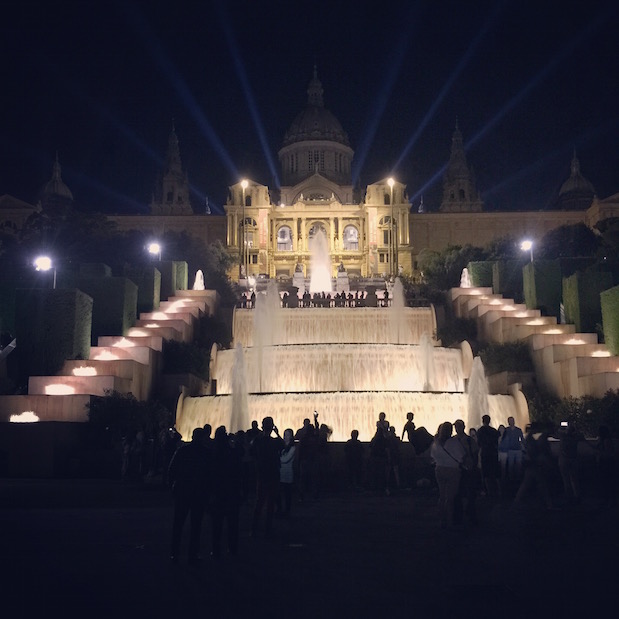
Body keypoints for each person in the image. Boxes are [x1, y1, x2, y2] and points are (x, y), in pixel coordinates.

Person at [168, 427, 210, 564]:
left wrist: (173, 486)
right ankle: (192, 554)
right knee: (196, 525)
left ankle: (175, 554)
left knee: (178, 524)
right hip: (198, 493)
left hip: (183, 491)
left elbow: (171, 469)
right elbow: (211, 474)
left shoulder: (182, 451)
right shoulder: (205, 453)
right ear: (202, 437)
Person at [210, 426, 243, 558]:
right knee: (232, 524)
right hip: (231, 493)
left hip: (218, 493)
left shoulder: (212, 453)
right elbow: (241, 454)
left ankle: (216, 549)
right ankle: (232, 549)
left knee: (216, 525)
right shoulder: (232, 453)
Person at [250, 416, 284, 537]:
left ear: (262, 427)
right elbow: (283, 444)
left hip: (262, 475)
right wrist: (277, 433)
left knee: (259, 502)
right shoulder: (274, 442)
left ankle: (254, 529)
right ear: (272, 427)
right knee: (270, 503)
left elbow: (251, 448)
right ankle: (267, 529)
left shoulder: (258, 441)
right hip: (273, 475)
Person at [431, 422, 465, 529]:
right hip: (453, 471)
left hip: (439, 470)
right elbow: (461, 456)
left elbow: (432, 456)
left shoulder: (436, 442)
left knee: (442, 495)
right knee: (450, 498)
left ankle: (441, 519)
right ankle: (449, 521)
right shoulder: (454, 442)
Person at [514, 423, 554, 510]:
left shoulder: (530, 438)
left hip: (533, 464)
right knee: (540, 484)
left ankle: (517, 502)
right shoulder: (534, 439)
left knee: (528, 484)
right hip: (535, 465)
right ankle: (548, 504)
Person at [453, 419, 479, 526]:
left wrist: (473, 465)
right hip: (457, 469)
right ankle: (460, 513)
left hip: (468, 469)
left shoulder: (469, 440)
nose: (456, 428)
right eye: (455, 426)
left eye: (458, 426)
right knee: (458, 492)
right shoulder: (453, 440)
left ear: (463, 427)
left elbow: (475, 453)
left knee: (469, 491)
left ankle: (469, 512)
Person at [557, 422, 584, 504]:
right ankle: (576, 496)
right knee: (574, 479)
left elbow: (557, 431)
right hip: (573, 459)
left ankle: (569, 496)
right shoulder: (575, 438)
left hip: (564, 460)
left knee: (566, 479)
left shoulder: (563, 437)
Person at [476, 415, 501, 499]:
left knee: (486, 473)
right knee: (495, 472)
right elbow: (497, 441)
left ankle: (488, 491)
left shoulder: (480, 431)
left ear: (482, 421)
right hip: (493, 453)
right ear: (489, 421)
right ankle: (498, 490)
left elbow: (478, 444)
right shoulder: (494, 431)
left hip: (485, 453)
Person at [278, 429, 296, 518]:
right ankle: (281, 510)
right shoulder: (282, 447)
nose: (285, 437)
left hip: (288, 474)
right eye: (284, 435)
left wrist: (277, 458)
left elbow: (285, 460)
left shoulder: (293, 448)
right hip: (281, 473)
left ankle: (287, 511)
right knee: (280, 494)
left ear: (291, 436)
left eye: (288, 435)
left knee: (287, 494)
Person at [501, 416, 525, 482]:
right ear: (508, 422)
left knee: (519, 465)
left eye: (512, 420)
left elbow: (522, 439)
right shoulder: (506, 430)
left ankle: (518, 479)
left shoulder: (518, 430)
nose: (511, 422)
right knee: (510, 466)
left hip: (518, 449)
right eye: (510, 421)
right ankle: (511, 480)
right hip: (510, 450)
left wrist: (524, 447)